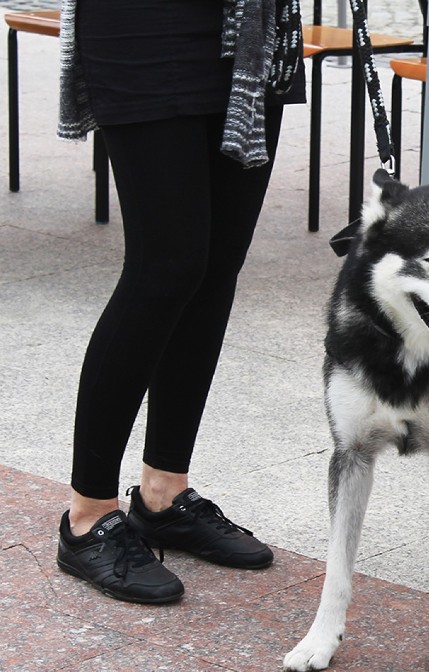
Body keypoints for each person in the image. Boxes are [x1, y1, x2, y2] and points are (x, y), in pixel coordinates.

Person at [54, 0, 305, 604]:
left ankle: (163, 492)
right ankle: (87, 516)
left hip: (253, 32)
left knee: (216, 268)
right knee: (164, 269)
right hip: (145, 25)